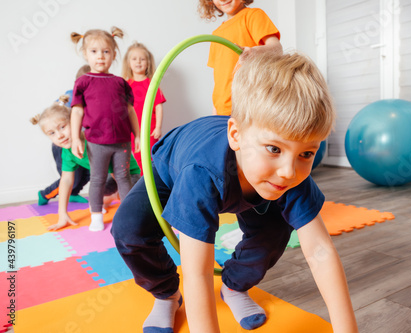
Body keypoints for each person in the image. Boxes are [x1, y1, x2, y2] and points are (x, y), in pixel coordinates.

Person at [112, 52, 358, 333]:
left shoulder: (291, 172)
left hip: (241, 179)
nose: (289, 171)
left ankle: (233, 286)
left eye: (307, 153)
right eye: (274, 149)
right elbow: (198, 273)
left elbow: (320, 250)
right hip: (173, 169)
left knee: (274, 232)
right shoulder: (200, 174)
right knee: (129, 230)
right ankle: (166, 293)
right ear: (236, 135)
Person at [31, 95, 141, 231]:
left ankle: (113, 197)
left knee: (136, 198)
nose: (59, 135)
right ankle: (108, 198)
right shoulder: (67, 152)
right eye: (52, 133)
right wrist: (62, 214)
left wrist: (128, 209)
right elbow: (66, 181)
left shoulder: (93, 141)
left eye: (62, 127)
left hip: (127, 173)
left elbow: (119, 176)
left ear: (74, 121)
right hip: (105, 176)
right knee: (100, 189)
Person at [70, 27, 140, 231]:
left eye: (106, 51)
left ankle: (129, 215)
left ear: (114, 54)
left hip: (122, 142)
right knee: (98, 179)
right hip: (96, 143)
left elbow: (130, 110)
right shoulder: (83, 82)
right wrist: (75, 139)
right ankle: (96, 215)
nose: (100, 56)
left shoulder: (120, 83)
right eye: (94, 51)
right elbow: (76, 112)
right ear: (85, 54)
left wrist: (137, 134)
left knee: (123, 177)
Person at [198, 0, 283, 116]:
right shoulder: (216, 34)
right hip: (223, 110)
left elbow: (277, 49)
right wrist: (215, 111)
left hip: (250, 106)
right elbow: (218, 78)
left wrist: (253, 52)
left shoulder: (253, 15)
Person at [37, 64, 91, 206]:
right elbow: (54, 114)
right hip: (63, 145)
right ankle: (45, 194)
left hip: (79, 143)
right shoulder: (71, 97)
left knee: (88, 172)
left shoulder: (94, 100)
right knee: (71, 176)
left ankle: (73, 193)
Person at [122, 42, 166, 174]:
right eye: (134, 59)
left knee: (150, 157)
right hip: (131, 131)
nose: (138, 62)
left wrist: (158, 127)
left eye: (142, 59)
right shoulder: (125, 85)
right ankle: (137, 185)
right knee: (134, 158)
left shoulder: (152, 84)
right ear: (129, 63)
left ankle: (149, 185)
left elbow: (158, 107)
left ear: (148, 63)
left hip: (149, 130)